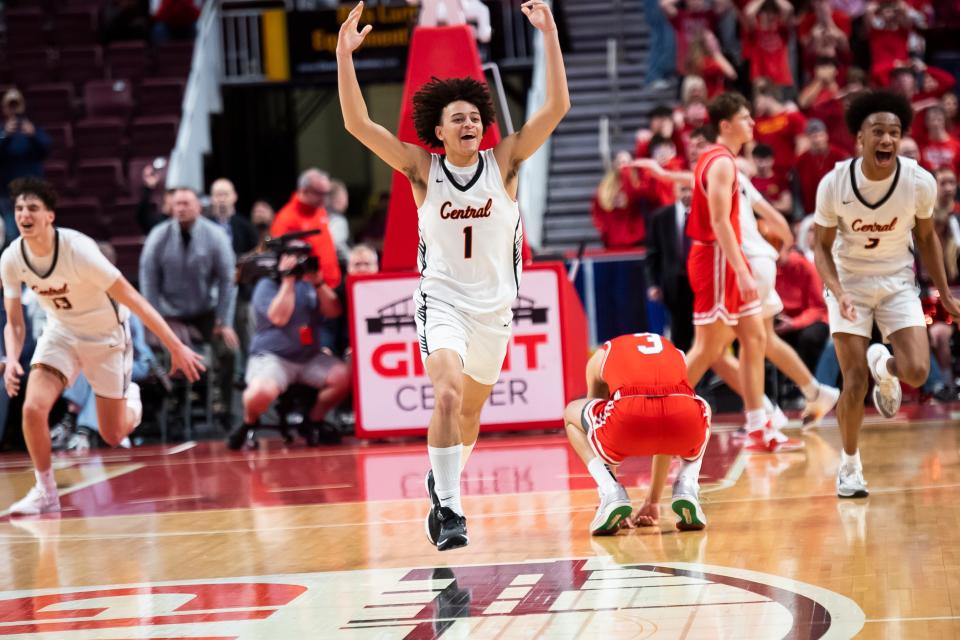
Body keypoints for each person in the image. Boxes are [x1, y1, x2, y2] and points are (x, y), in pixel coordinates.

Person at [337, 0, 569, 551]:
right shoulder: (423, 169)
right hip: (441, 302)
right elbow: (356, 123)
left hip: (495, 309)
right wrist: (345, 57)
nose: (468, 123)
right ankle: (449, 506)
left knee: (468, 414)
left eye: (473, 116)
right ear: (437, 131)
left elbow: (557, 106)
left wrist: (550, 33)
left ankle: (441, 482)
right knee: (444, 395)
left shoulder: (505, 160)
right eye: (456, 118)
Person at [2, 178, 204, 516]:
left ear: (49, 216)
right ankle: (46, 491)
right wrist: (11, 360)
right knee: (33, 408)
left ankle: (132, 401)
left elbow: (134, 299)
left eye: (33, 208)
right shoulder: (12, 257)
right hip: (61, 332)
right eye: (20, 208)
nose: (24, 214)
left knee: (112, 434)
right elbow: (15, 321)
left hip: (105, 338)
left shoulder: (78, 251)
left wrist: (175, 345)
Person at [813, 90, 960, 499]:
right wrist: (839, 292)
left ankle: (887, 365)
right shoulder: (835, 183)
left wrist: (945, 296)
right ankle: (850, 465)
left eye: (894, 132)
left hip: (897, 280)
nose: (888, 140)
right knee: (854, 380)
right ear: (860, 137)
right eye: (878, 132)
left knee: (917, 372)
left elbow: (927, 237)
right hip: (849, 282)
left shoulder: (918, 182)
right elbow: (821, 248)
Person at [681, 92, 776, 451]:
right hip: (718, 261)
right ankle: (657, 413)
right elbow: (720, 222)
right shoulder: (721, 163)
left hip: (725, 259)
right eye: (745, 118)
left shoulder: (717, 159)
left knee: (754, 338)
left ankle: (757, 425)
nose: (752, 123)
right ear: (726, 125)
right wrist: (743, 270)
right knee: (707, 349)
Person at [562, 333, 711, 534]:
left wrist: (615, 499)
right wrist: (653, 501)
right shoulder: (674, 352)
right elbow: (665, 431)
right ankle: (687, 484)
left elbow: (596, 433)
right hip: (683, 421)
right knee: (702, 408)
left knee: (571, 414)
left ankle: (610, 491)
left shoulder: (601, 355)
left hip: (628, 418)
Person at [227, 250, 349, 449]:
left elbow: (334, 311)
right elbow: (278, 318)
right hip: (274, 357)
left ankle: (313, 421)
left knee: (345, 376)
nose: (298, 264)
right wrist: (287, 281)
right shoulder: (266, 285)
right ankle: (250, 421)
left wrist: (318, 282)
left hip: (309, 357)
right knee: (259, 393)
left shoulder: (311, 283)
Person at [139, 187, 239, 428]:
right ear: (171, 207)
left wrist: (224, 321)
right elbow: (148, 282)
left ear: (198, 207)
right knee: (161, 351)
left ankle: (223, 406)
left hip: (205, 312)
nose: (181, 208)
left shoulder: (215, 235)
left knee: (228, 350)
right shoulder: (158, 236)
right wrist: (155, 323)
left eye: (186, 203)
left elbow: (229, 279)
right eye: (177, 204)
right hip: (169, 314)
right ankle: (172, 404)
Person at [645, 181, 695, 351]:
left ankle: (706, 375)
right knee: (679, 332)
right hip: (675, 284)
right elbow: (653, 254)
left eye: (691, 189)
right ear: (675, 191)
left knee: (703, 333)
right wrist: (653, 283)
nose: (687, 194)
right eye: (683, 189)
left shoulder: (707, 213)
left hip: (701, 284)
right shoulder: (661, 217)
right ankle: (684, 372)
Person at [271, 169, 341, 290]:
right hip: (309, 290)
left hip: (331, 284)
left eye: (327, 193)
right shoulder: (286, 219)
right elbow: (284, 261)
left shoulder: (319, 210)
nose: (325, 199)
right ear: (304, 191)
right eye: (320, 193)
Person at [0, 89, 50, 246]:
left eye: (16, 104)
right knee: (12, 236)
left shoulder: (33, 129)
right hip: (8, 193)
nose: (13, 109)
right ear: (4, 107)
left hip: (33, 191)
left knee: (37, 232)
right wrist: (4, 135)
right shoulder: (2, 132)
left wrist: (33, 134)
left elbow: (46, 149)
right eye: (10, 105)